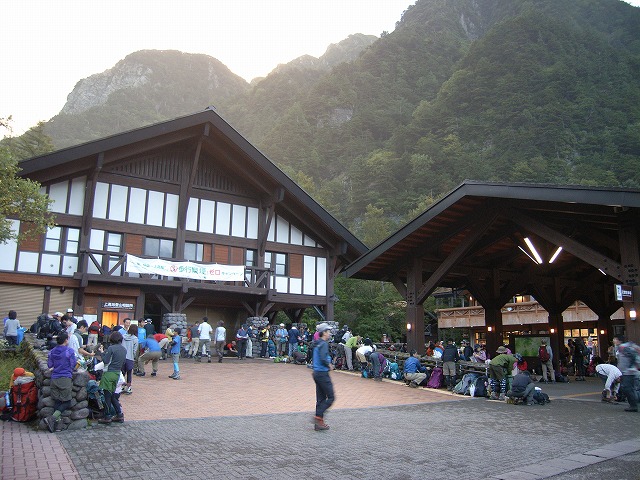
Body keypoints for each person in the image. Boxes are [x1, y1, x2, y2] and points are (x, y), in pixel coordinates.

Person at [45, 332, 76, 432]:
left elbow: (50, 365)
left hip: (54, 378)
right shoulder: (69, 351)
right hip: (65, 378)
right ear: (66, 340)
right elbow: (73, 364)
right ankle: (52, 418)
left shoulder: (52, 351)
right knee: (67, 402)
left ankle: (57, 426)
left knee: (57, 401)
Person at [99, 331, 126, 424]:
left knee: (107, 396)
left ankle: (107, 416)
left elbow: (105, 361)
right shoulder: (123, 349)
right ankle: (119, 414)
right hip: (117, 374)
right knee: (113, 396)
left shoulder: (111, 348)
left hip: (108, 373)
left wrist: (102, 353)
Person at [312, 323, 334, 431]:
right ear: (324, 332)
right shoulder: (324, 344)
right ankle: (318, 416)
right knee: (331, 397)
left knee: (320, 399)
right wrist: (329, 365)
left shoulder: (317, 343)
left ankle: (319, 424)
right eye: (328, 331)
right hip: (322, 373)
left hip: (316, 373)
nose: (329, 333)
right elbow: (323, 357)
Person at [615, 335, 640, 412]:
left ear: (619, 340)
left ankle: (633, 405)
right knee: (632, 388)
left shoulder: (622, 348)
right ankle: (633, 404)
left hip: (628, 372)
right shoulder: (629, 346)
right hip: (632, 371)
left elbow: (624, 361)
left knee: (627, 388)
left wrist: (628, 369)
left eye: (615, 339)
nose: (614, 341)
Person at [121, 324, 138, 394]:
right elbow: (135, 350)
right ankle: (128, 387)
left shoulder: (123, 337)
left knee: (122, 373)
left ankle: (121, 386)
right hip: (130, 358)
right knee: (129, 373)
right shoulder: (135, 339)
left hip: (122, 357)